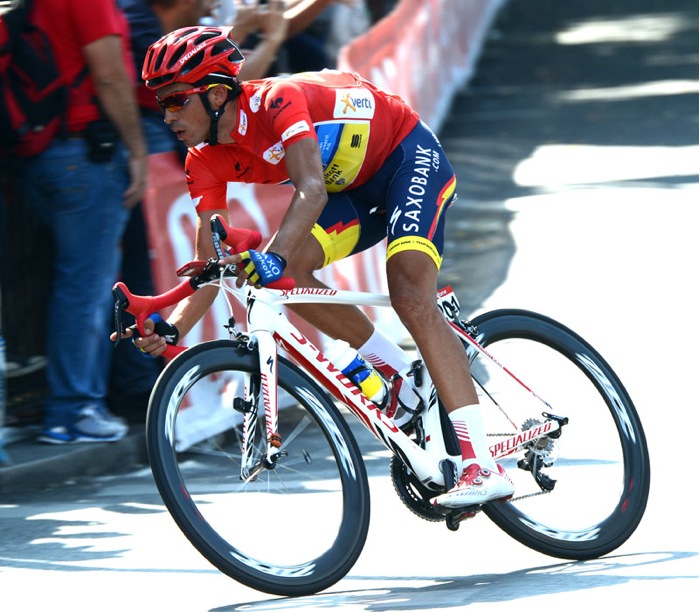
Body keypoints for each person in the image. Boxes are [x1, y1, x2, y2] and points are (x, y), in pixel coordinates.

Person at [122, 24, 514, 507]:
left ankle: (483, 465)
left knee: (410, 293)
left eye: (177, 100)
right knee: (287, 276)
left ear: (217, 92)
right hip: (353, 190)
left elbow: (311, 188)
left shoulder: (277, 102)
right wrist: (175, 327)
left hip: (406, 159)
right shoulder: (202, 159)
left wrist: (272, 255)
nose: (166, 115)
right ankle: (397, 372)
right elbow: (210, 262)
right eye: (160, 103)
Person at [24, 0, 148, 444]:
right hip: (84, 155)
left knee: (77, 284)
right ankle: (74, 411)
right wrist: (137, 150)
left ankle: (73, 404)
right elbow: (110, 75)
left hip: (44, 153)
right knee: (85, 288)